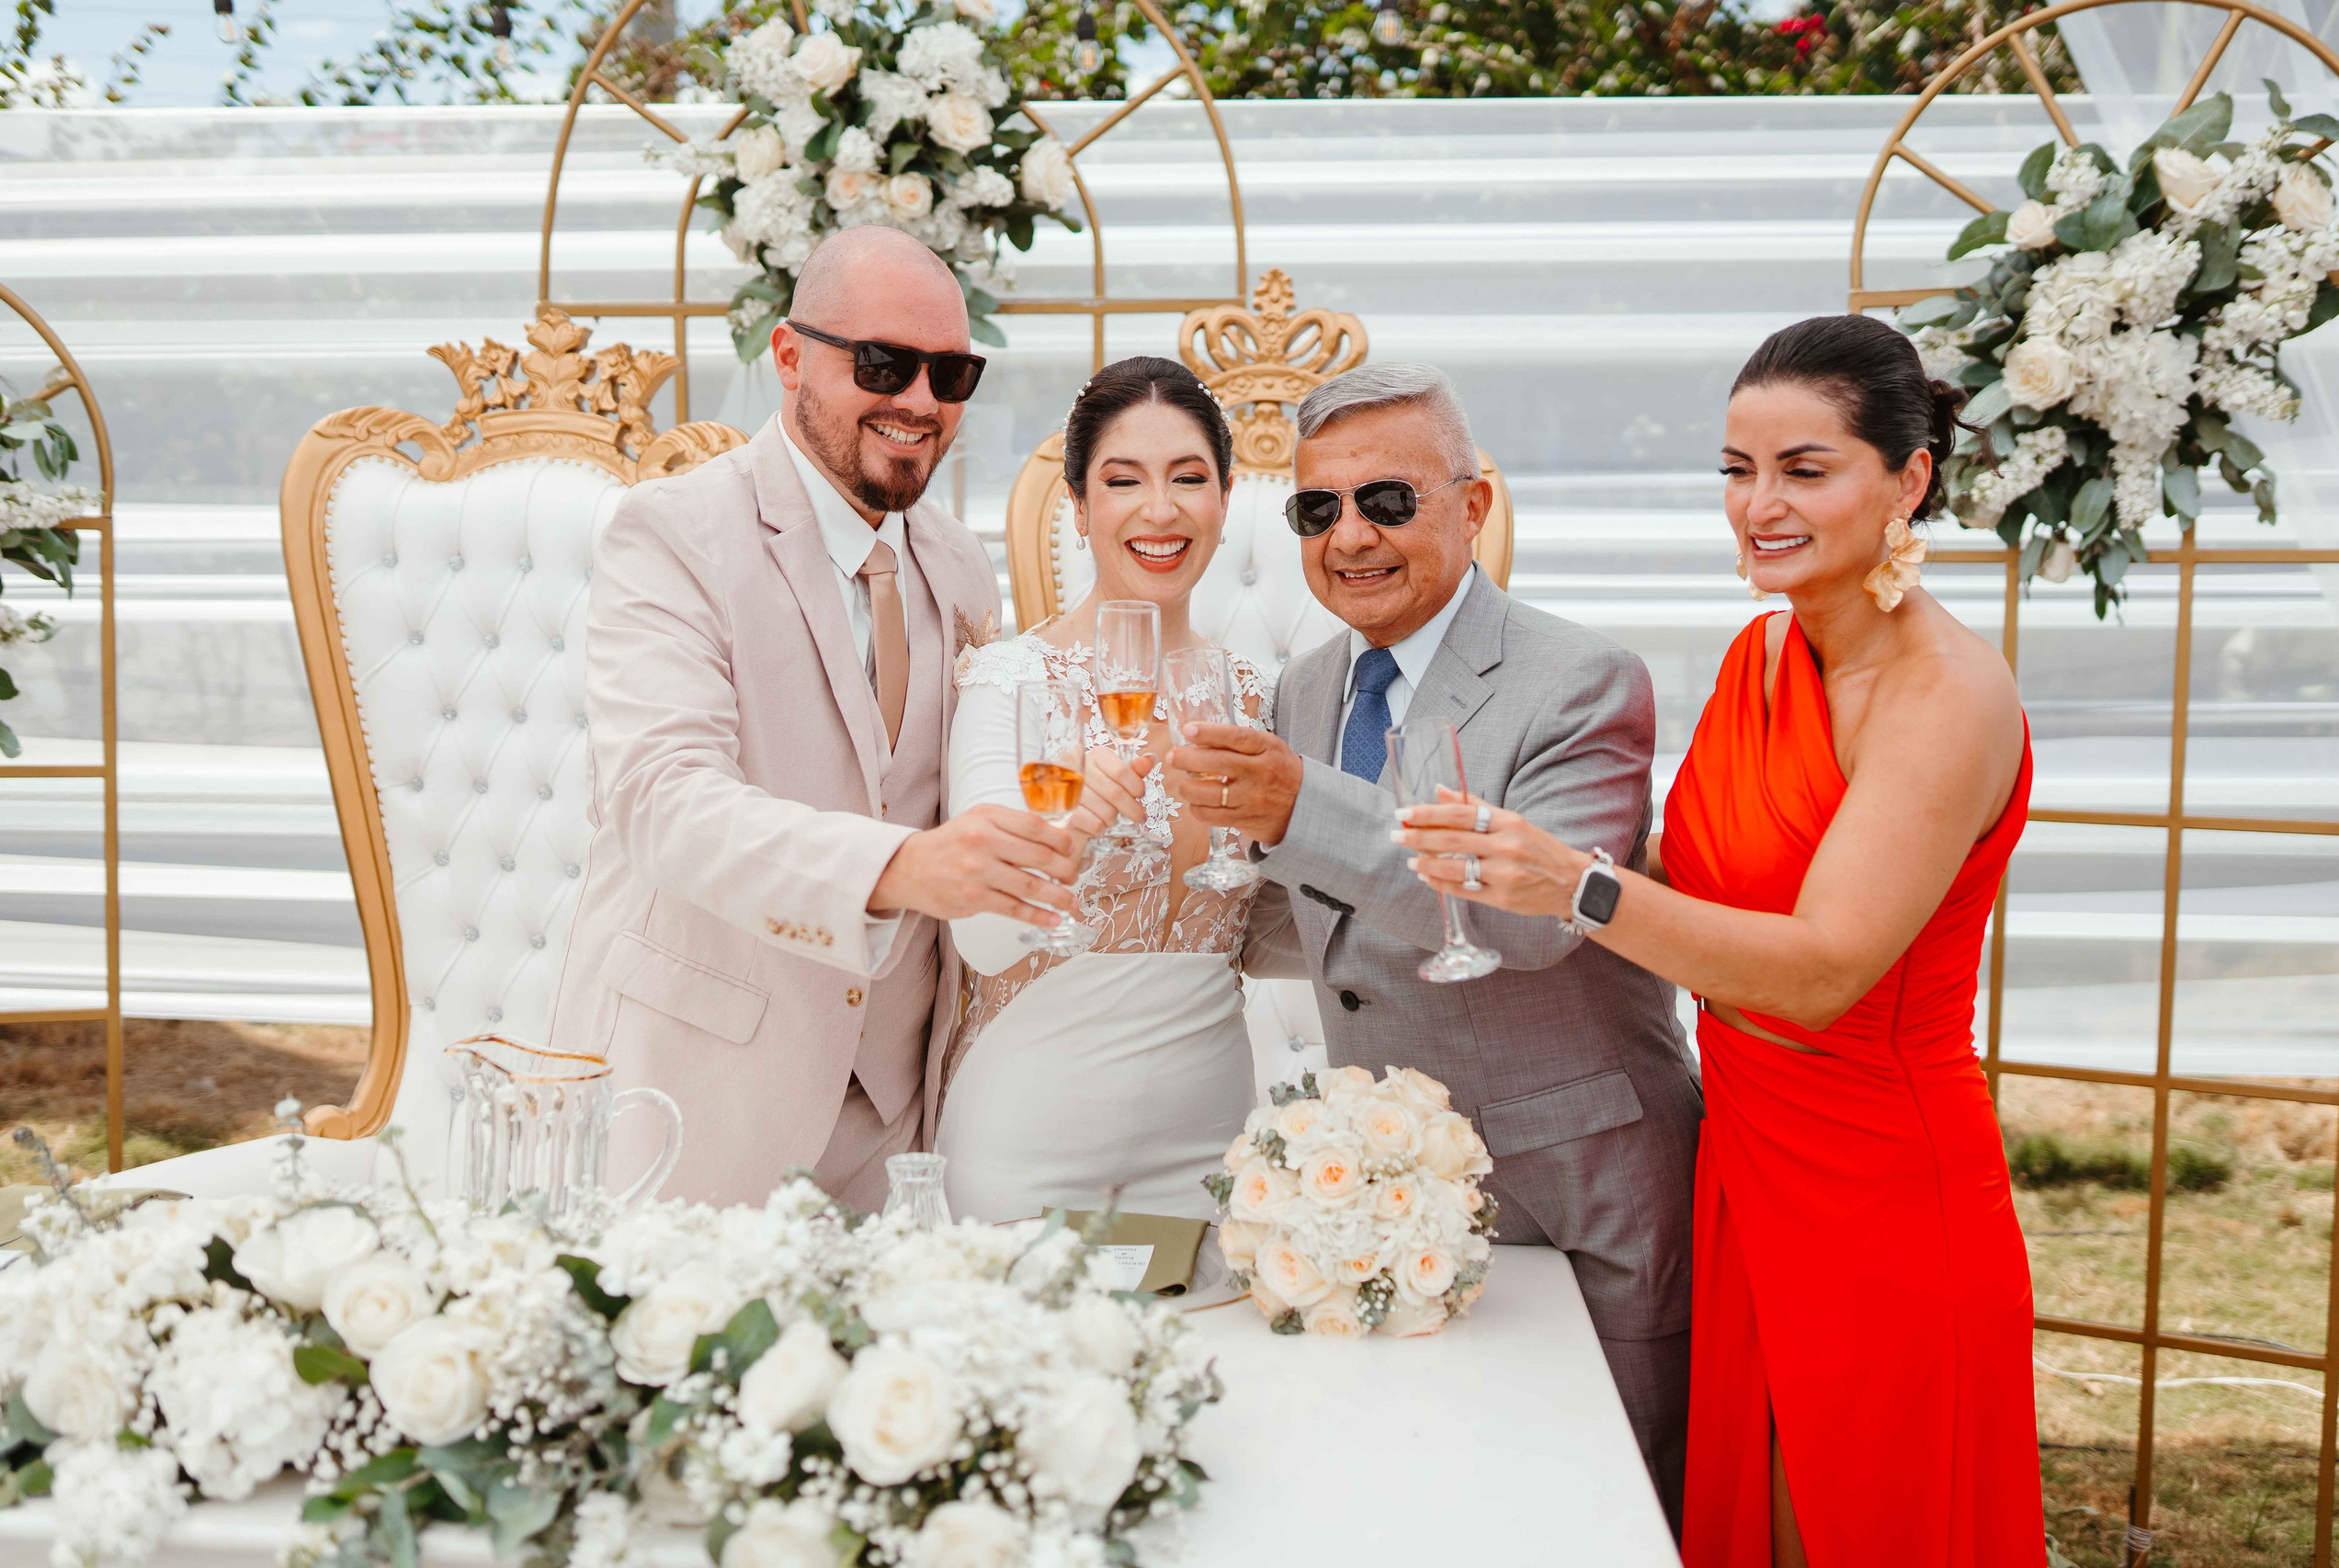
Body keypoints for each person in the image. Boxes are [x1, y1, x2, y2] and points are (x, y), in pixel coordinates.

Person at [1392, 315, 2041, 1567]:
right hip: (1742, 1157)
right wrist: (1531, 843)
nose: (1759, 505)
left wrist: (1577, 885)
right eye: (1738, 470)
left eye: (1805, 469)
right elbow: (1691, 889)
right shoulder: (1764, 653)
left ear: (1907, 478)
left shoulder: (1946, 695)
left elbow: (1822, 970)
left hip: (1881, 1191)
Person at [1170, 362, 1704, 1529]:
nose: (1348, 536)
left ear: (1473, 506)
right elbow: (1317, 927)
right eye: (1317, 508)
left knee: (1601, 1521)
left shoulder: (1583, 681)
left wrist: (1296, 807)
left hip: (1579, 1198)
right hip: (1381, 1208)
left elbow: (1529, 922)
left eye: (1386, 501)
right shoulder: (1306, 690)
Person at [549, 227, 1087, 1212]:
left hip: (899, 1134)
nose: (920, 401)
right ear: (790, 357)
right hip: (696, 1103)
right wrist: (897, 869)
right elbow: (662, 800)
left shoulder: (959, 564)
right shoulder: (670, 533)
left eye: (951, 374)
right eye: (882, 364)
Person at [935, 356, 1265, 1222]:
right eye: (1123, 481)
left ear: (1224, 499)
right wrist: (1071, 825)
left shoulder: (1256, 698)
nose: (1160, 509)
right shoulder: (1012, 684)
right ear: (1080, 508)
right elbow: (981, 938)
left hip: (1217, 1154)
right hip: (1030, 1145)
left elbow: (1287, 930)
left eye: (1188, 478)